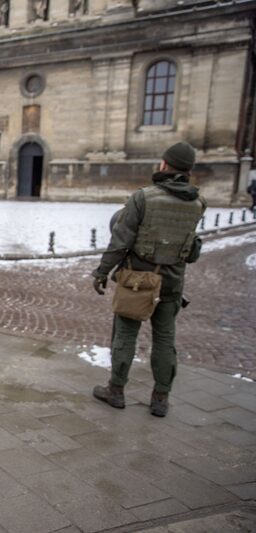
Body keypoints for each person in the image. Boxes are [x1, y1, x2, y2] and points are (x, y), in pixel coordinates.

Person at [91, 141, 206, 417]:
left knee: (126, 335)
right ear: (188, 170)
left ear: (164, 165)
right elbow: (190, 251)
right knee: (165, 339)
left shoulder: (143, 198)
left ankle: (116, 391)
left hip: (137, 280)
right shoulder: (198, 203)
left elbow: (120, 242)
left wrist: (102, 271)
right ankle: (160, 398)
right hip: (171, 282)